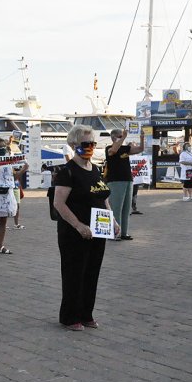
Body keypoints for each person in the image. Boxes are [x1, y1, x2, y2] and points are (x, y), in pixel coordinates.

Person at [53, 125, 117, 331]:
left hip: (98, 230)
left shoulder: (95, 169)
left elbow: (103, 198)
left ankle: (86, 313)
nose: (90, 148)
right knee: (74, 274)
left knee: (92, 273)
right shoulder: (67, 171)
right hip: (74, 232)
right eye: (85, 144)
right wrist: (78, 225)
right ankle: (70, 317)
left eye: (93, 144)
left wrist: (113, 221)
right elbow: (59, 204)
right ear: (73, 145)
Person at [105, 128, 145, 240]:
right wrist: (123, 137)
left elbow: (140, 149)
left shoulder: (125, 149)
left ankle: (124, 233)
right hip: (116, 180)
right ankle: (114, 233)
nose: (123, 136)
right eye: (120, 135)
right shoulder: (109, 148)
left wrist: (142, 137)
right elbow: (113, 151)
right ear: (114, 137)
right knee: (116, 207)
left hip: (128, 179)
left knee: (126, 208)